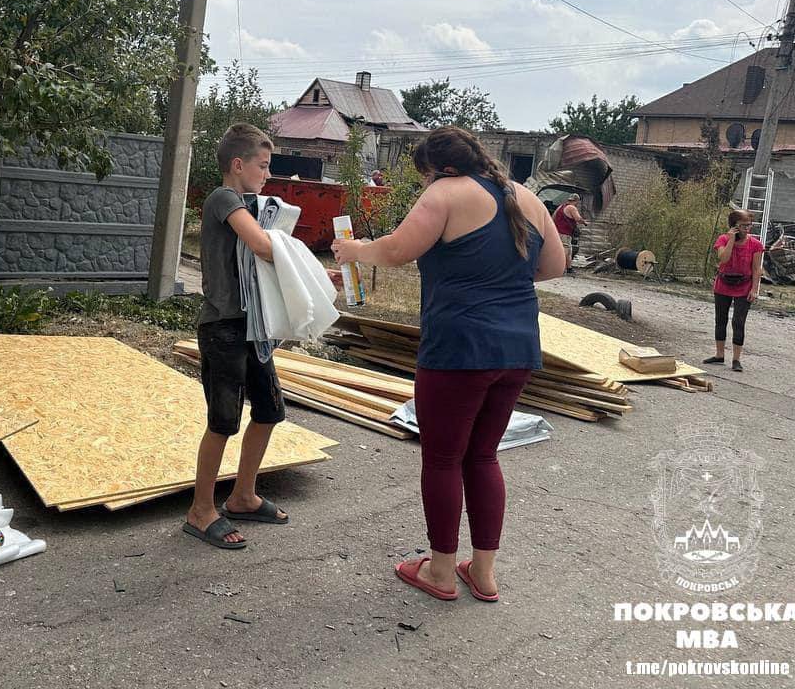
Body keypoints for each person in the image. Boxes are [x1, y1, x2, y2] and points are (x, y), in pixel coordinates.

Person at [333, 126, 566, 602]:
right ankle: (483, 572)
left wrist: (354, 250)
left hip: (459, 346)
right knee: (482, 456)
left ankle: (439, 572)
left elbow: (398, 251)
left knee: (442, 458)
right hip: (517, 348)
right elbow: (553, 267)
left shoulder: (444, 192)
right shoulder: (527, 197)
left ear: (438, 167)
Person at [183, 123, 290, 549]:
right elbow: (263, 246)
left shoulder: (252, 203)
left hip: (253, 328)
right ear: (237, 164)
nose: (267, 175)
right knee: (223, 422)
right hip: (223, 328)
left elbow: (268, 253)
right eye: (263, 166)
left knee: (268, 411)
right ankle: (201, 510)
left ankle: (243, 496)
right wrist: (297, 259)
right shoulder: (223, 198)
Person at [703, 209, 765, 372]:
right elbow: (723, 258)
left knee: (738, 321)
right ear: (734, 226)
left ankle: (736, 359)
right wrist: (731, 239)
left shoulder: (755, 244)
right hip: (724, 283)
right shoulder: (723, 239)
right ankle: (719, 354)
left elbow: (757, 268)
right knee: (720, 319)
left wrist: (754, 289)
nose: (747, 229)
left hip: (743, 285)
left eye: (749, 225)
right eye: (743, 226)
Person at [552, 194, 587, 272]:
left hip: (557, 232)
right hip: (565, 233)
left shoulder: (560, 207)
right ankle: (559, 268)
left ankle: (569, 268)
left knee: (569, 251)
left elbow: (553, 217)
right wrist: (584, 222)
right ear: (576, 201)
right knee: (565, 250)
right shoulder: (572, 208)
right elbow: (578, 218)